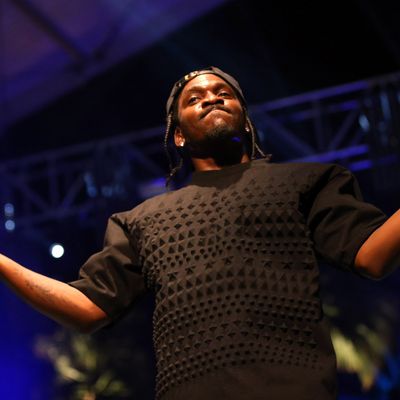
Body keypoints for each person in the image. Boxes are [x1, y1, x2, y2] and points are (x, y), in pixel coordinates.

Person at [0, 66, 399, 400]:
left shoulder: (306, 181)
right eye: (194, 99)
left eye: (224, 93)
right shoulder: (140, 220)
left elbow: (371, 255)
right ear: (178, 135)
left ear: (245, 119)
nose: (211, 98)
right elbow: (87, 307)